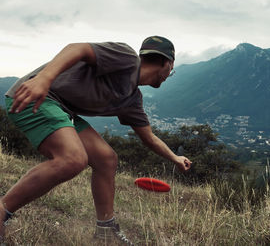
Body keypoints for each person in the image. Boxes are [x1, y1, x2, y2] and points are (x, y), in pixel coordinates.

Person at [0, 36, 192, 242]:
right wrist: (44, 79)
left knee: (106, 158)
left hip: (63, 110)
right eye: (170, 71)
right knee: (73, 159)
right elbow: (78, 48)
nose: (167, 76)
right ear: (167, 63)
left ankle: (106, 230)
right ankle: (3, 209)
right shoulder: (127, 59)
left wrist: (175, 158)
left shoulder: (132, 99)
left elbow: (149, 138)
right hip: (35, 96)